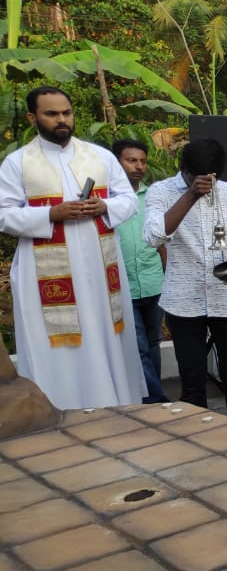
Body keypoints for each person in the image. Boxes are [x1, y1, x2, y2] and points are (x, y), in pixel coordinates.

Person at [0, 86, 142, 409]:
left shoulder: (100, 157)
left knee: (104, 332)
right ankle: (60, 408)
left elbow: (129, 200)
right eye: (52, 114)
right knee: (57, 344)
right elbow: (3, 214)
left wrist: (103, 207)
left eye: (66, 112)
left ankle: (115, 407)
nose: (62, 120)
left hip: (99, 268)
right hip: (46, 273)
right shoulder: (17, 163)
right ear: (32, 117)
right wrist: (51, 213)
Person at [145, 139, 227, 421]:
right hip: (183, 300)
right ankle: (198, 445)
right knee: (192, 382)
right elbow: (154, 236)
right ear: (183, 168)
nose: (207, 183)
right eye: (199, 177)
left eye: (212, 178)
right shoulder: (161, 191)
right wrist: (190, 195)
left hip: (225, 297)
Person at [113, 138, 168, 403]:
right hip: (123, 286)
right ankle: (155, 399)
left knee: (154, 342)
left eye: (142, 161)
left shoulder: (153, 198)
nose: (138, 166)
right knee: (139, 346)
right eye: (131, 160)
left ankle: (149, 393)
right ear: (117, 162)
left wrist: (169, 281)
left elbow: (163, 243)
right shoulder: (108, 201)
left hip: (153, 282)